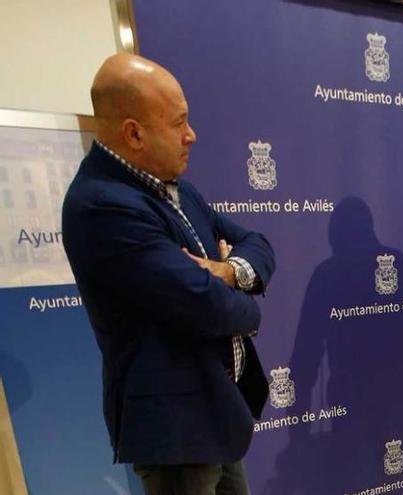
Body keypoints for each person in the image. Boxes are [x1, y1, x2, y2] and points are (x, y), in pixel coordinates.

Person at [62, 53, 275, 495]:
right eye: (179, 123)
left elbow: (257, 243)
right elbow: (204, 305)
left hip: (219, 412)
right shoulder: (104, 205)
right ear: (134, 134)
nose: (191, 135)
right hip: (177, 431)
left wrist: (227, 271)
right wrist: (246, 306)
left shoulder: (177, 189)